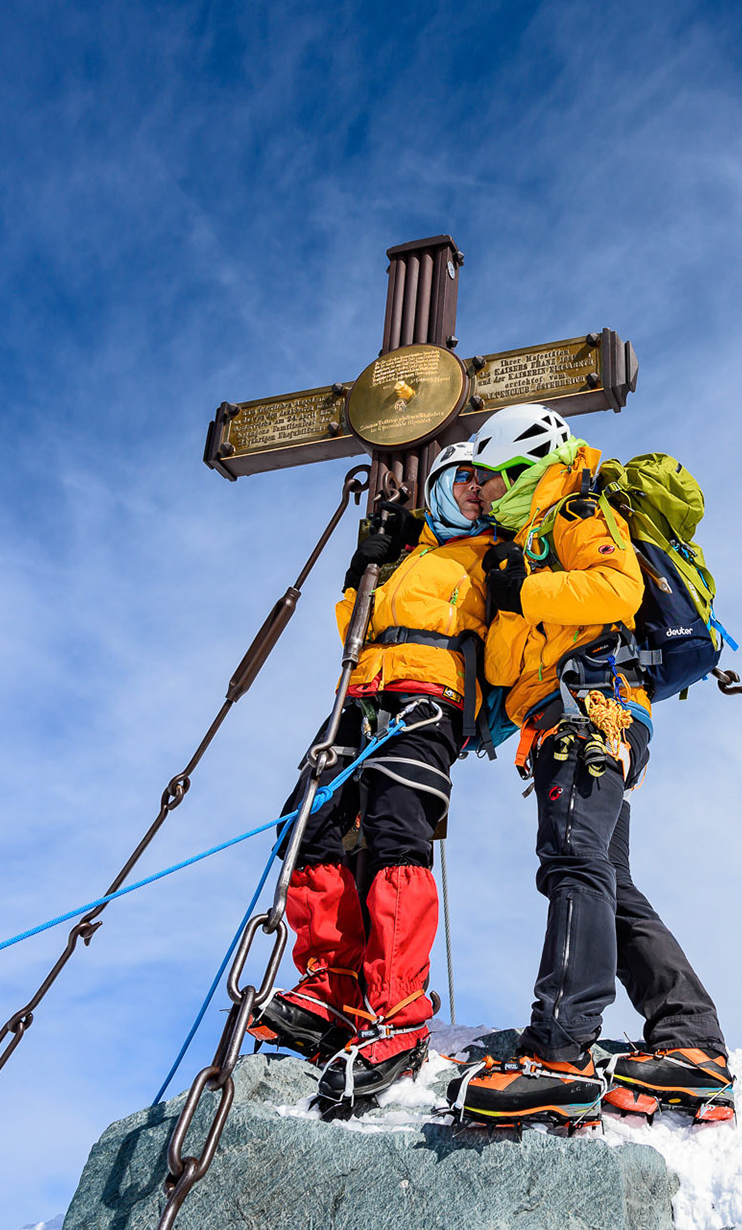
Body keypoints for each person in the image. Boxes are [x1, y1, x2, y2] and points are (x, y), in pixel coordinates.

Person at [445, 404, 734, 1127]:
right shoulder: (527, 542)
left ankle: (561, 1052)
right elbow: (517, 667)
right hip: (568, 718)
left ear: (522, 461)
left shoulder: (573, 508)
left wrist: (522, 591)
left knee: (574, 862)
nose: (479, 491)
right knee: (608, 878)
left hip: (592, 711)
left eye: (486, 476)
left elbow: (617, 589)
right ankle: (691, 1041)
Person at [247, 441, 496, 1116]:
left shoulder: (491, 556)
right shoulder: (408, 556)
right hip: (360, 695)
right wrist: (363, 569)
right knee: (306, 825)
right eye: (467, 481)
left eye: (488, 484)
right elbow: (349, 629)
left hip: (428, 699)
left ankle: (397, 1007)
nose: (479, 492)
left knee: (395, 834)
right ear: (441, 483)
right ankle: (331, 987)